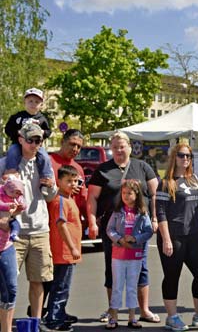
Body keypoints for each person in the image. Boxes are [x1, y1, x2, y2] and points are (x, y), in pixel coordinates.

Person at [87, 131, 159, 324]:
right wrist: (92, 222)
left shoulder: (142, 167)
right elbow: (92, 197)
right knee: (113, 270)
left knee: (141, 268)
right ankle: (113, 311)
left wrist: (154, 218)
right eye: (115, 146)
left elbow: (154, 194)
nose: (119, 150)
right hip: (113, 229)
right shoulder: (102, 169)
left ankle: (143, 310)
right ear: (111, 148)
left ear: (129, 147)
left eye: (122, 146)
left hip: (138, 229)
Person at [0, 123, 57, 323]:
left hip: (40, 230)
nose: (34, 144)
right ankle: (5, 325)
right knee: (7, 284)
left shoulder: (44, 165)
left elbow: (50, 197)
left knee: (38, 281)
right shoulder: (6, 164)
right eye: (30, 140)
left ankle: (35, 323)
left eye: (38, 141)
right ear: (21, 139)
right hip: (12, 233)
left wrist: (50, 187)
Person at [156, 143, 198, 331]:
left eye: (188, 155)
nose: (186, 159)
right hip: (173, 236)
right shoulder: (166, 182)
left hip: (193, 235)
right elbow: (161, 212)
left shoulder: (195, 179)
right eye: (182, 155)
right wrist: (166, 239)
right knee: (172, 276)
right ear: (174, 157)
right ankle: (172, 317)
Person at [105, 179, 153, 330]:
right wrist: (119, 239)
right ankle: (114, 317)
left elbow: (148, 231)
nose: (126, 196)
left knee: (132, 286)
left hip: (135, 256)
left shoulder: (142, 213)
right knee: (117, 286)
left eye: (129, 193)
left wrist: (135, 239)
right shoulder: (118, 212)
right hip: (118, 256)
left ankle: (132, 317)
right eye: (124, 193)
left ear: (136, 194)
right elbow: (109, 229)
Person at [44, 165, 83, 331]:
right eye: (68, 181)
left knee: (60, 286)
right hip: (63, 252)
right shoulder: (60, 200)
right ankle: (54, 319)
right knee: (61, 288)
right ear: (58, 182)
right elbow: (61, 225)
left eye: (75, 181)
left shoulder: (69, 198)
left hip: (65, 252)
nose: (73, 184)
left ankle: (59, 313)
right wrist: (73, 247)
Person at [3, 88, 54, 181]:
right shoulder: (18, 116)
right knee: (12, 151)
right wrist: (17, 132)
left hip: (36, 145)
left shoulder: (42, 118)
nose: (33, 104)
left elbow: (48, 131)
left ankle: (46, 176)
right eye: (30, 101)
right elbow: (7, 129)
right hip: (18, 143)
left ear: (41, 105)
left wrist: (43, 132)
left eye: (36, 102)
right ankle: (11, 171)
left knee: (44, 156)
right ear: (24, 103)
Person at [0, 178, 25, 332]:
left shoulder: (10, 193)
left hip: (5, 246)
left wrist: (13, 212)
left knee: (11, 288)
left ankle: (6, 329)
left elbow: (14, 213)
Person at [0, 176, 26, 243]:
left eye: (18, 193)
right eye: (13, 192)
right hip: (1, 215)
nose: (16, 195)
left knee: (16, 224)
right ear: (7, 189)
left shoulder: (17, 197)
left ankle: (14, 234)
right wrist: (8, 205)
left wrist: (22, 206)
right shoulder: (1, 193)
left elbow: (23, 204)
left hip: (10, 217)